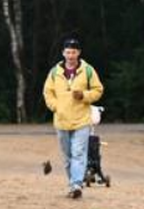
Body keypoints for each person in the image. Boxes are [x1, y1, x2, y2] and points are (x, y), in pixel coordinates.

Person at [42, 37, 104, 199]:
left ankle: (77, 185)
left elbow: (98, 90)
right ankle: (73, 185)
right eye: (68, 52)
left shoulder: (88, 70)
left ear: (79, 53)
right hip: (61, 120)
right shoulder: (54, 72)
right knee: (68, 156)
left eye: (74, 52)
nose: (71, 55)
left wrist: (84, 95)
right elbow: (48, 92)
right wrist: (56, 107)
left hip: (82, 120)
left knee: (79, 153)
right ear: (63, 53)